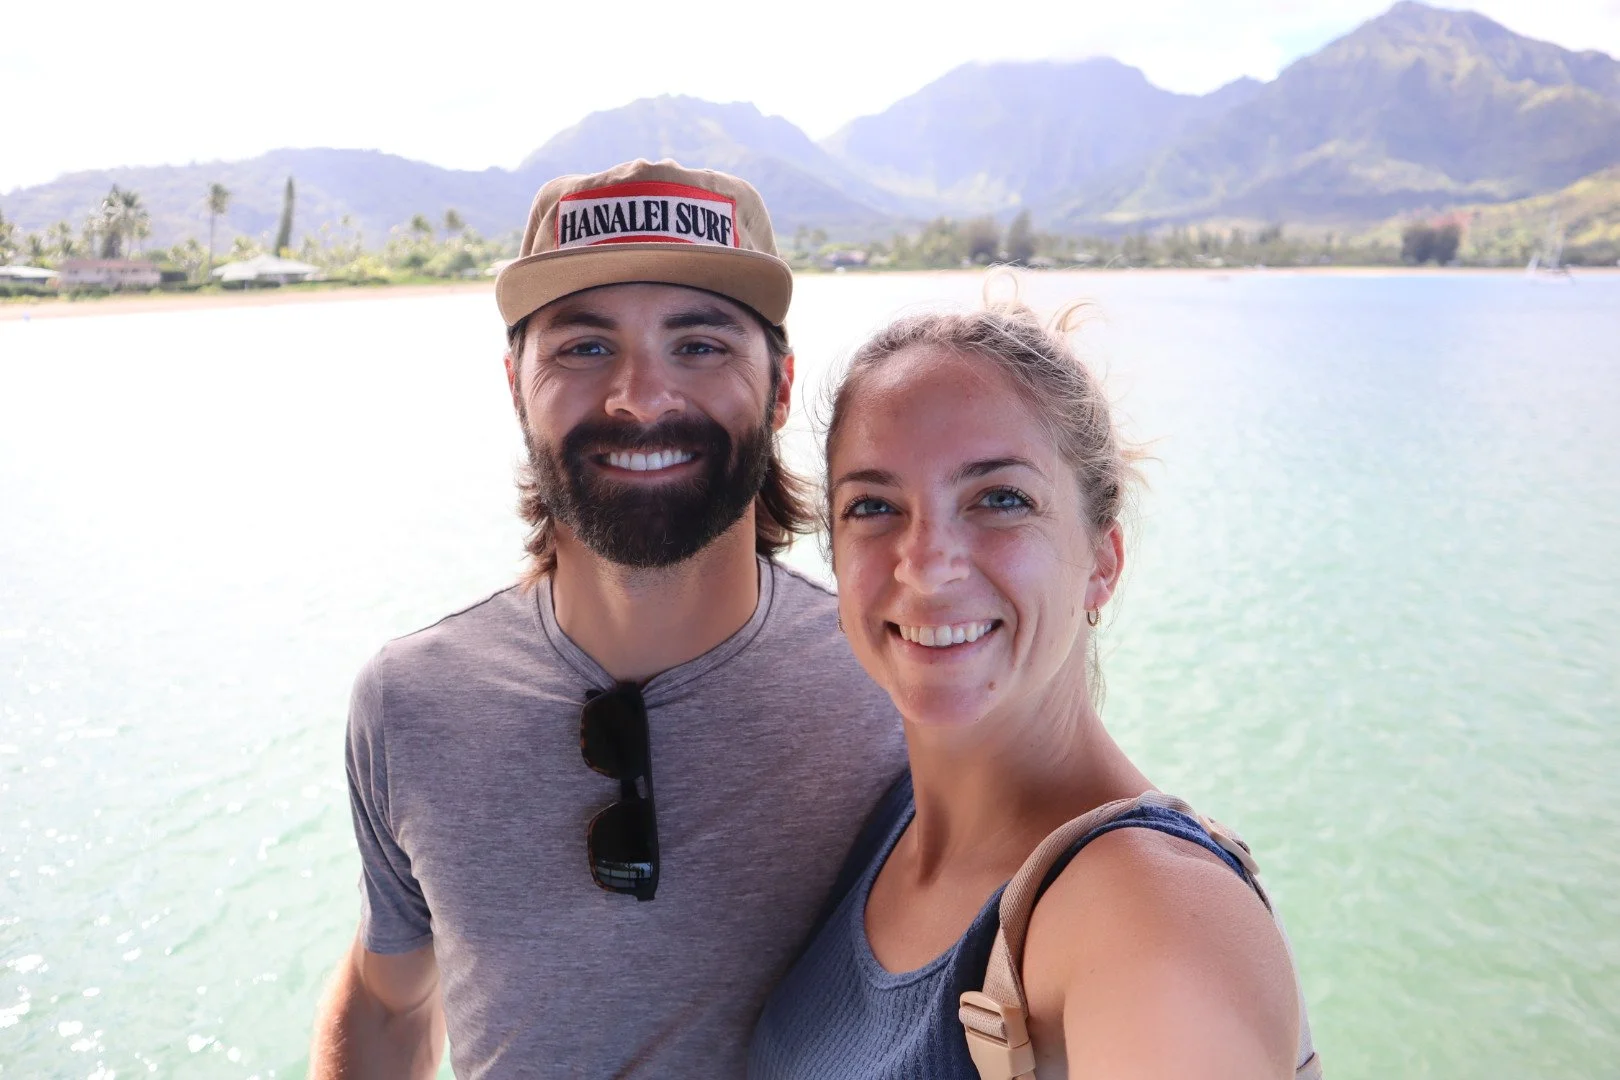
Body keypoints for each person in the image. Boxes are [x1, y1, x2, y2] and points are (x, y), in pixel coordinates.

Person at [308, 159, 905, 1078]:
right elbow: (389, 997)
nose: (640, 396)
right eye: (584, 349)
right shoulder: (408, 704)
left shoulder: (897, 690)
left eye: (700, 345)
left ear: (782, 388)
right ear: (516, 385)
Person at [749, 302, 1319, 1078]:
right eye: (874, 507)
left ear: (1102, 560)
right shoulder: (881, 830)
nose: (927, 562)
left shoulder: (1150, 914)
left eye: (1000, 499)